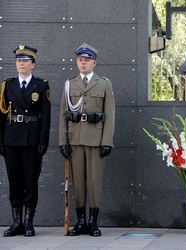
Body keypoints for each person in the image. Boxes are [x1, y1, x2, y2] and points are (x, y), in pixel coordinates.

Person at [58, 43, 115, 237]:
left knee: (94, 181)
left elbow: (110, 114)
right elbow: (63, 115)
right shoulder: (70, 84)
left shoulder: (104, 84)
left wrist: (107, 140)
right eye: (80, 60)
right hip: (75, 138)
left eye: (87, 60)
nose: (83, 63)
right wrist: (62, 141)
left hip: (95, 138)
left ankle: (93, 221)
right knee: (78, 182)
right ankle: (80, 221)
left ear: (94, 63)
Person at [0, 45, 51, 237]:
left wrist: (43, 141)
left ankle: (29, 222)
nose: (21, 64)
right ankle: (17, 222)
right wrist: (0, 139)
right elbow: (1, 114)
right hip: (11, 138)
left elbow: (45, 116)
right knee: (14, 181)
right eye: (19, 61)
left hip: (31, 139)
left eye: (25, 61)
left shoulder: (41, 85)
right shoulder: (8, 85)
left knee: (30, 181)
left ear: (33, 64)